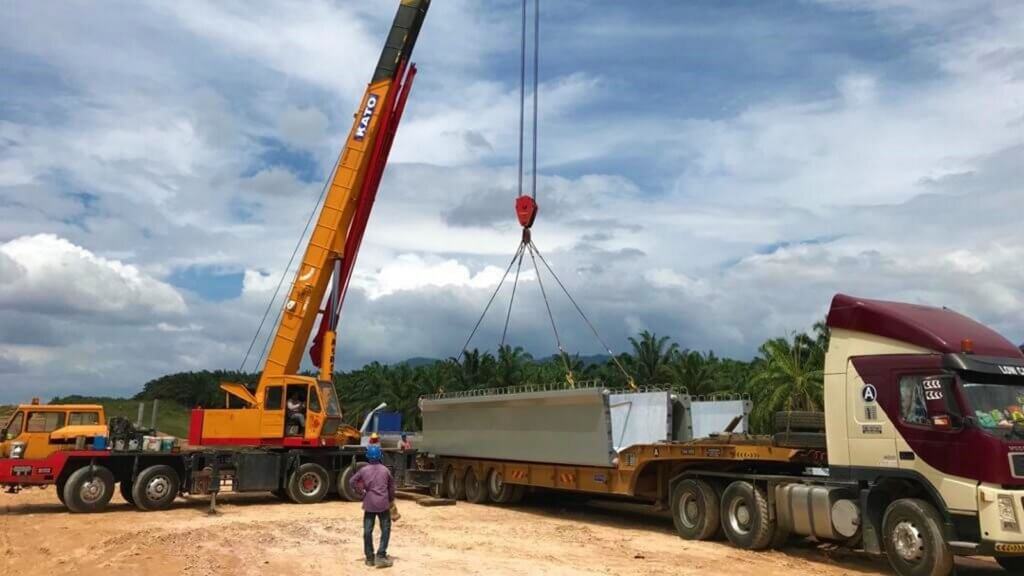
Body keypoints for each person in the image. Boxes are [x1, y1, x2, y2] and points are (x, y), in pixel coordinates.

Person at [350, 444, 395, 568]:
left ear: (368, 457)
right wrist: (391, 500)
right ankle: (381, 555)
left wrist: (361, 491)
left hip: (369, 503)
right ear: (380, 456)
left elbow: (352, 481)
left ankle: (370, 558)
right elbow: (391, 488)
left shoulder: (364, 470)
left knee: (367, 531)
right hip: (383, 504)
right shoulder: (385, 470)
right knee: (385, 529)